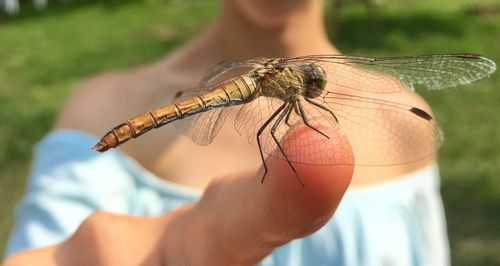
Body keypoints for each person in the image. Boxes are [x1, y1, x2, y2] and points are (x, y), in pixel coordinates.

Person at [3, 0, 450, 265]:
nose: (315, 87)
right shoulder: (93, 107)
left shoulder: (397, 114)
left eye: (315, 81)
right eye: (312, 83)